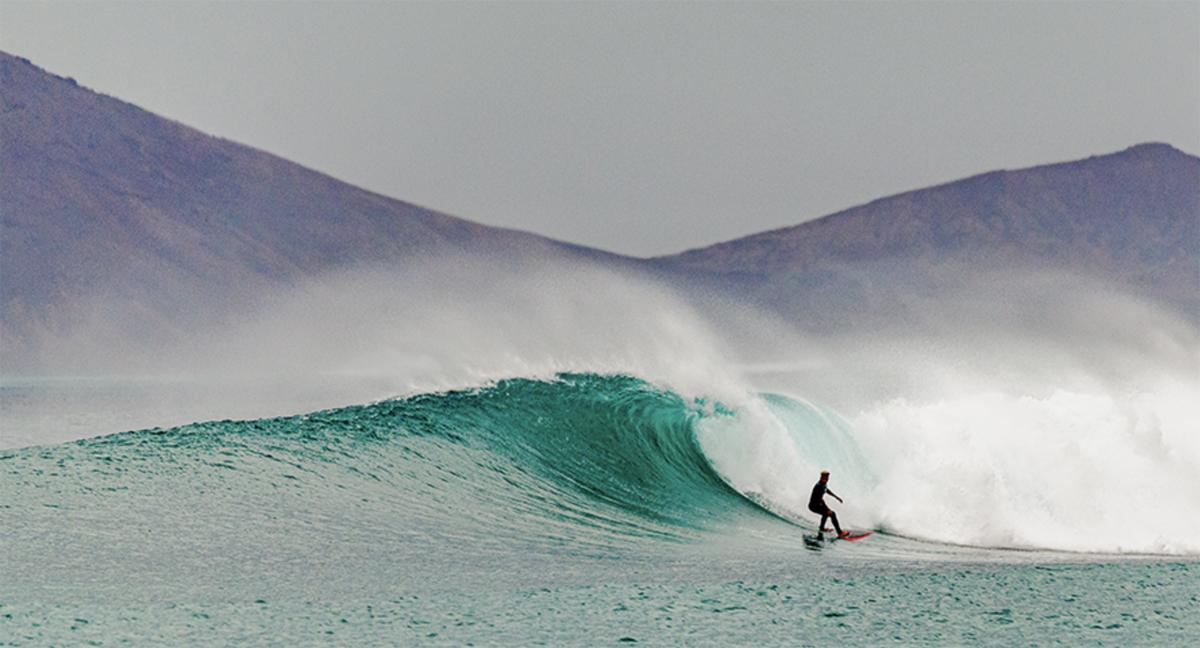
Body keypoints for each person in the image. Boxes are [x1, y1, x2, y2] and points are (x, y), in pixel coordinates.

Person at [809, 470, 847, 539]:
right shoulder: (819, 486)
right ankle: (840, 533)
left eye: (827, 477)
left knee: (826, 513)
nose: (826, 479)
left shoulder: (823, 484)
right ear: (821, 477)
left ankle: (821, 528)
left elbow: (826, 490)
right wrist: (827, 509)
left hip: (817, 505)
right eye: (825, 477)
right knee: (832, 514)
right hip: (813, 506)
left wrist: (836, 497)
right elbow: (820, 500)